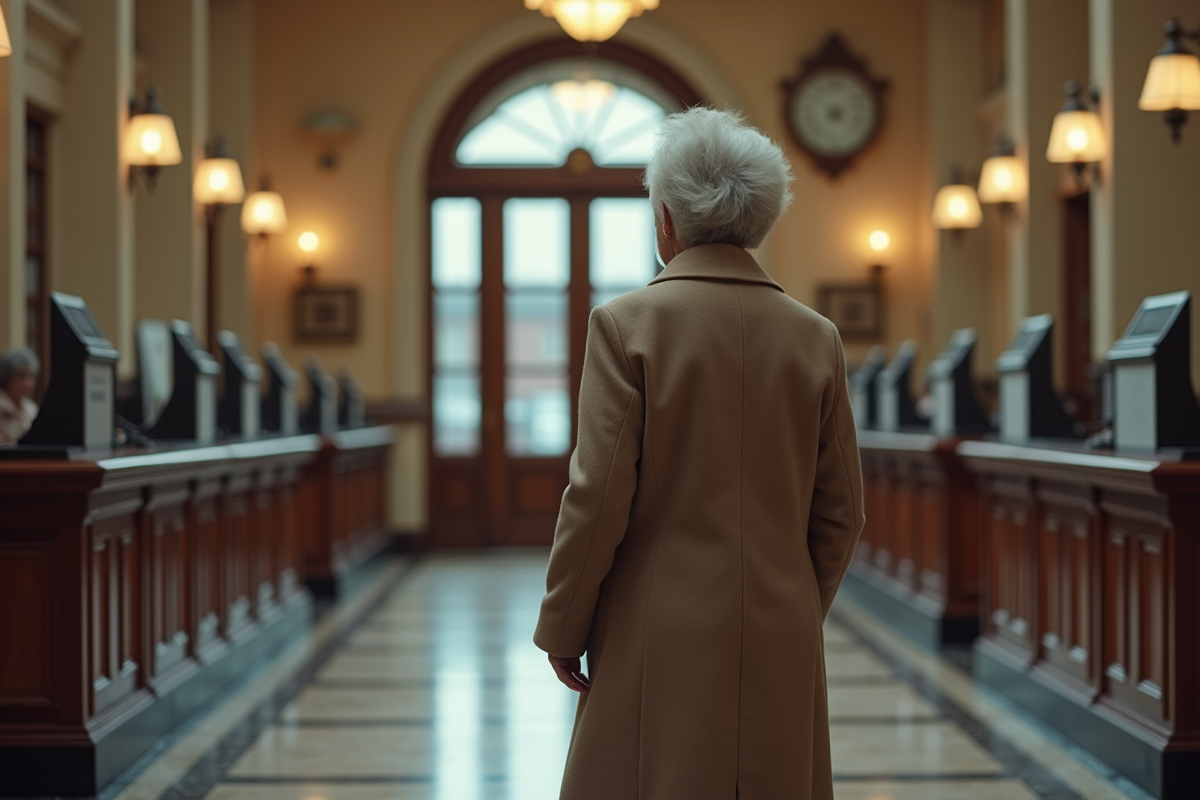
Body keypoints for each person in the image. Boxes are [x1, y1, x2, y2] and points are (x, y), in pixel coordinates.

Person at [534, 107, 865, 800]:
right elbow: (841, 512)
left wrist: (564, 623)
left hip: (658, 628)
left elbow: (596, 498)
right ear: (761, 219)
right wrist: (795, 599)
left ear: (666, 221)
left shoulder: (626, 326)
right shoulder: (815, 337)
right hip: (782, 624)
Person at [0, 347, 40, 444]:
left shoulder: (31, 408)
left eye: (30, 376)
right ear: (6, 377)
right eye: (21, 376)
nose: (27, 383)